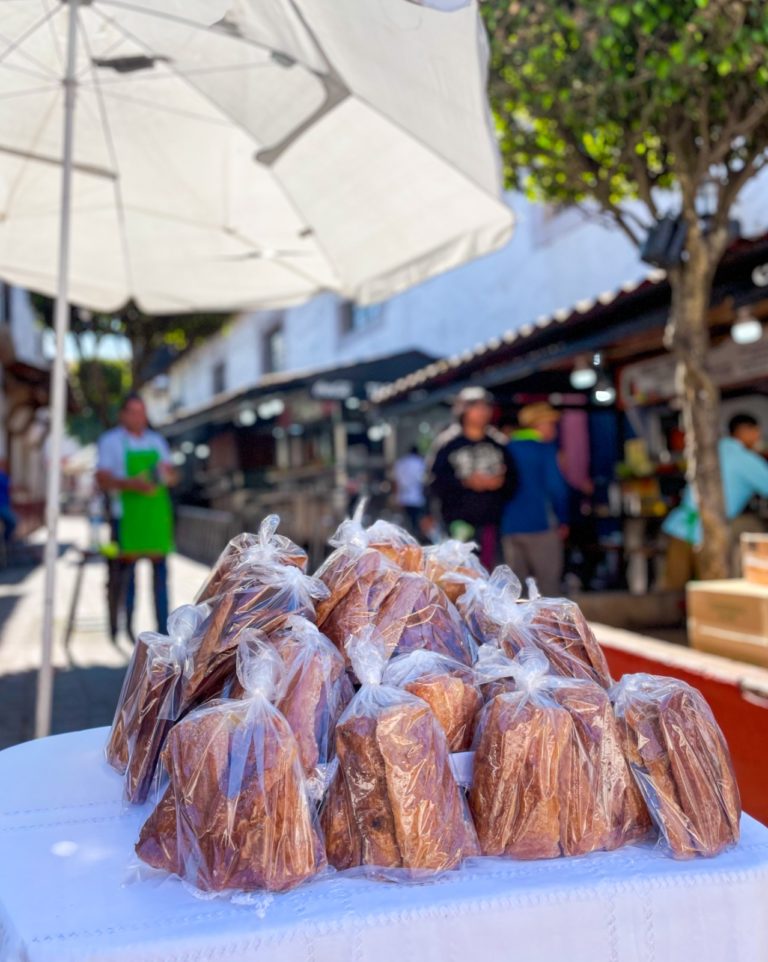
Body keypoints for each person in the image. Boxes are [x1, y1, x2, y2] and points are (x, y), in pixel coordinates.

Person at [96, 394, 177, 640]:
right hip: (125, 519)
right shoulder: (110, 441)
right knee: (126, 579)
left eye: (141, 412)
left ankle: (164, 631)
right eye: (132, 412)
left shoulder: (157, 441)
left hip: (155, 518)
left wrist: (165, 476)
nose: (138, 417)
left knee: (161, 580)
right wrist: (131, 484)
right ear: (122, 414)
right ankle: (126, 628)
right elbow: (102, 478)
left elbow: (172, 476)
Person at [663, 412, 768, 588]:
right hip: (706, 533)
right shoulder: (746, 459)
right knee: (710, 596)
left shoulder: (711, 450)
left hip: (680, 527)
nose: (758, 437)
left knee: (672, 594)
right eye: (756, 432)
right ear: (745, 431)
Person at [425, 386, 517, 568]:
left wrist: (499, 483)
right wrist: (466, 482)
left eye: (486, 407)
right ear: (463, 410)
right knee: (458, 575)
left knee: (488, 575)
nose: (482, 412)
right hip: (457, 522)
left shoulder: (499, 443)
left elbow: (514, 481)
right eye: (476, 407)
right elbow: (433, 482)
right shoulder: (447, 444)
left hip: (490, 522)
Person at [500, 402, 569, 597]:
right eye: (551, 423)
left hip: (510, 527)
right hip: (542, 525)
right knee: (549, 588)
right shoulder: (544, 450)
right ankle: (550, 628)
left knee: (515, 591)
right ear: (538, 425)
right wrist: (563, 518)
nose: (554, 428)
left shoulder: (507, 447)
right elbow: (557, 488)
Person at [393, 445, 427, 537]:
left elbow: (396, 481)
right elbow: (424, 481)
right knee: (416, 525)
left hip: (403, 498)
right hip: (417, 498)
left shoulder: (400, 463)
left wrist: (396, 498)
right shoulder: (420, 462)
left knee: (404, 526)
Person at [0, 459, 17, 544]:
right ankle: (5, 539)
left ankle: (5, 539)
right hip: (2, 506)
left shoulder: (5, 477)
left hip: (4, 505)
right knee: (13, 522)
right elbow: (11, 489)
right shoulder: (4, 477)